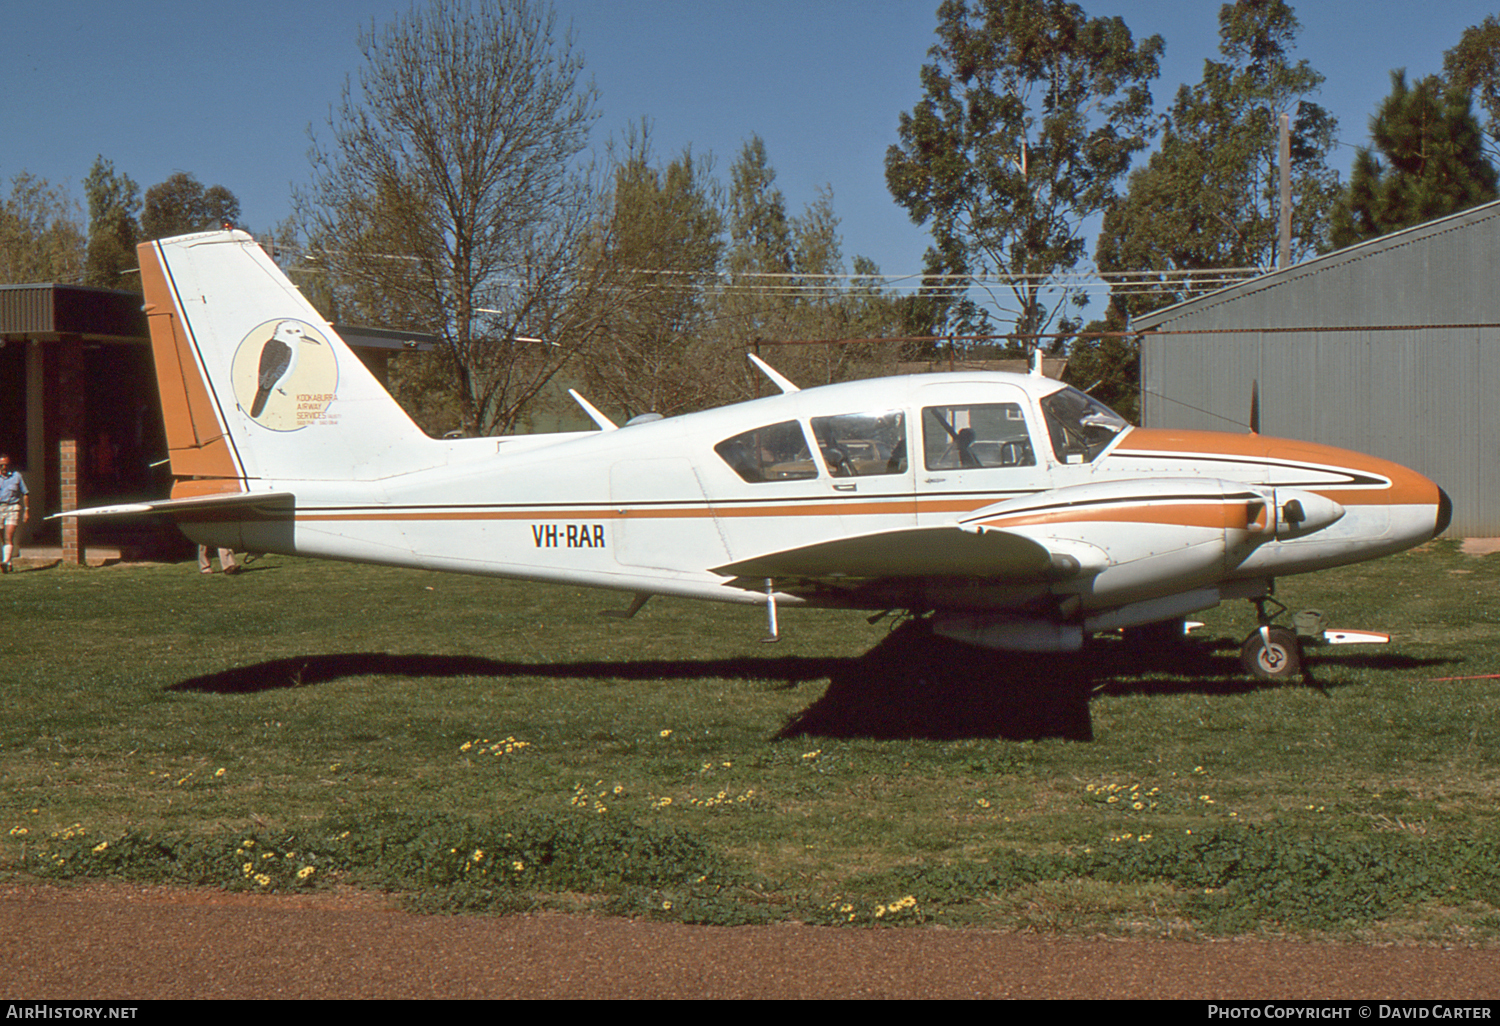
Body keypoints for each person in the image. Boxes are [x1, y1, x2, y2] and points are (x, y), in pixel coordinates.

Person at [0, 453, 29, 574]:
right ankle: (9, 561)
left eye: (6, 465)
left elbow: (25, 493)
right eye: (1, 465)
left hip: (13, 508)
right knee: (2, 538)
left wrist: (26, 510)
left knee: (8, 537)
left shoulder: (16, 476)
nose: (4, 467)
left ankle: (5, 562)